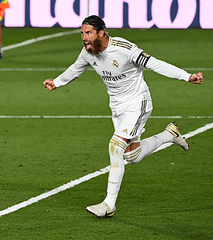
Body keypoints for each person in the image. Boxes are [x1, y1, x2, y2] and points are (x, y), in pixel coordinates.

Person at [43, 15, 203, 218]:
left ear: (101, 33)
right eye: (82, 33)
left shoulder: (125, 49)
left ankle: (109, 204)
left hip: (138, 103)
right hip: (117, 107)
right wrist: (56, 82)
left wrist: (186, 76)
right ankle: (169, 135)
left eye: (88, 33)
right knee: (132, 155)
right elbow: (76, 69)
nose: (84, 37)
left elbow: (155, 63)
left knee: (115, 146)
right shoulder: (88, 52)